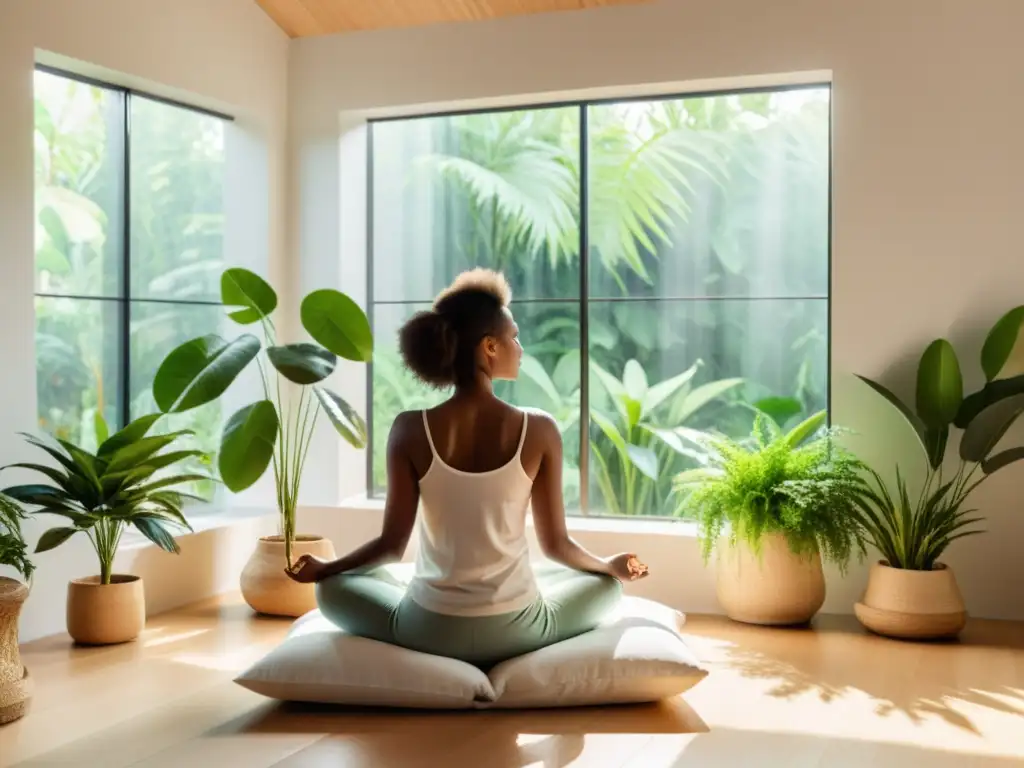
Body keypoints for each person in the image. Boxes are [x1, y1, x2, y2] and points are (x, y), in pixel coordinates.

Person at [286, 269, 648, 669]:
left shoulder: (409, 429)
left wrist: (325, 569)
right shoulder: (540, 429)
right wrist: (608, 565)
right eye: (513, 337)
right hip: (519, 628)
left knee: (333, 590)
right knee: (606, 588)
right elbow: (555, 545)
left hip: (428, 629)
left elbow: (391, 546)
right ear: (489, 347)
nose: (520, 347)